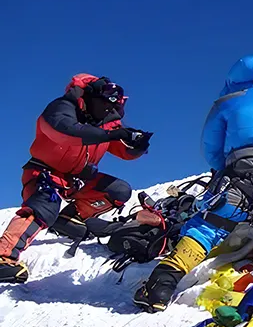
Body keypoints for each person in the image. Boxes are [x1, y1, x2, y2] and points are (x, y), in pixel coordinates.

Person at [134, 55, 253, 312]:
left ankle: (161, 286)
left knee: (205, 228)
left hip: (243, 180)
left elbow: (211, 151)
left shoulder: (226, 103)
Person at [0, 75, 151, 283]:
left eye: (111, 105)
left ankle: (70, 219)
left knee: (119, 190)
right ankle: (3, 256)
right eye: (103, 103)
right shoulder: (62, 108)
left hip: (76, 179)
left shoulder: (108, 124)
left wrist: (138, 145)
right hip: (45, 173)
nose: (107, 109)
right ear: (90, 97)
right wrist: (111, 135)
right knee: (43, 207)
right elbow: (66, 131)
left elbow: (123, 151)